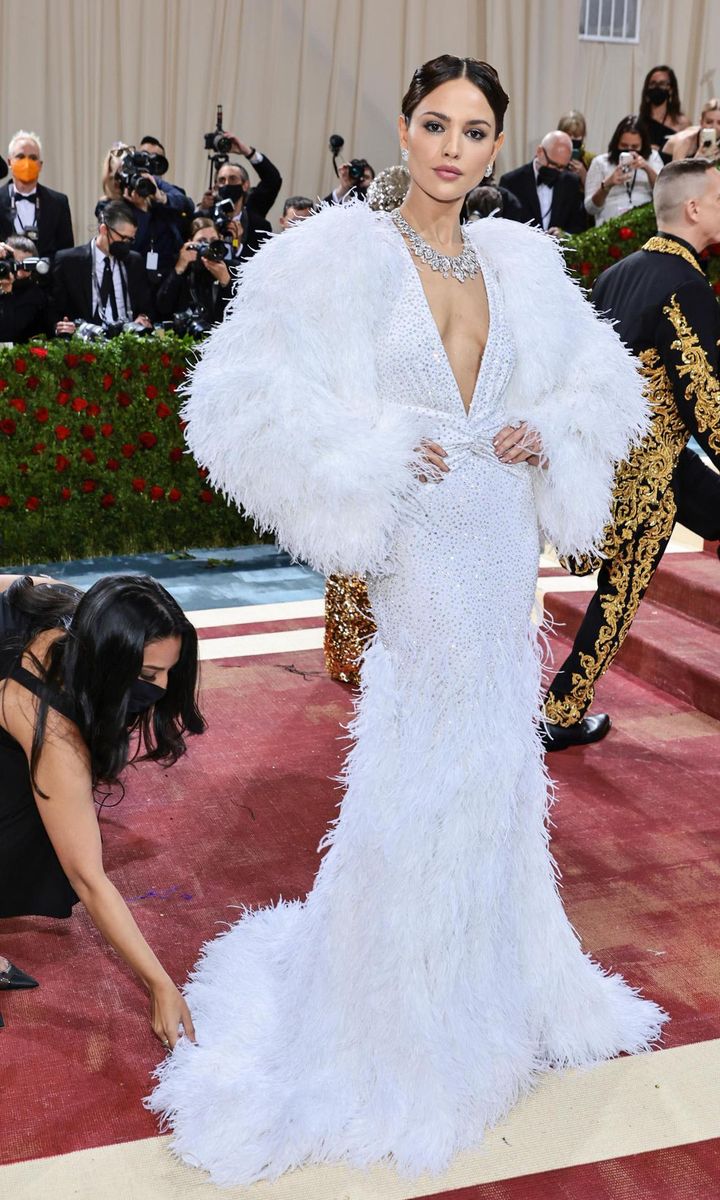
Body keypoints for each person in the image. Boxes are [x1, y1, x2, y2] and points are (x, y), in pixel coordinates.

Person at [148, 55, 665, 1185]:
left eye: (476, 131)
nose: (452, 147)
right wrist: (370, 454)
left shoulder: (523, 264)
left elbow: (606, 389)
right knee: (415, 764)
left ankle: (489, 978)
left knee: (493, 764)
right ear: (405, 127)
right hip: (420, 543)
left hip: (499, 540)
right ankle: (394, 1016)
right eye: (435, 123)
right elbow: (237, 401)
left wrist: (546, 425)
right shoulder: (340, 256)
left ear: (496, 150)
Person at [543, 158, 720, 750]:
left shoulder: (615, 274)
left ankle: (563, 709)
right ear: (694, 208)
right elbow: (709, 409)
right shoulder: (689, 286)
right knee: (617, 598)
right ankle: (562, 710)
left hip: (602, 467)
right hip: (648, 478)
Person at [0, 573, 205, 1045]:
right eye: (149, 676)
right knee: (26, 826)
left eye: (169, 671)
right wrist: (158, 983)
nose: (163, 686)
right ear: (110, 664)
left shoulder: (76, 612)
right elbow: (88, 876)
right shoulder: (50, 728)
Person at [51, 200, 153, 335]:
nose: (126, 244)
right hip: (86, 340)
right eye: (123, 238)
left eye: (130, 240)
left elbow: (147, 306)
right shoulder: (68, 261)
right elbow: (54, 309)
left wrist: (144, 317)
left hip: (128, 339)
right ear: (104, 229)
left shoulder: (134, 261)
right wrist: (61, 326)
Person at [0, 131, 73, 260]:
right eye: (20, 156)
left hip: (45, 278)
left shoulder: (58, 203)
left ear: (40, 165)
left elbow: (66, 254)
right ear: (9, 162)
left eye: (33, 158)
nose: (27, 163)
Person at [499, 130, 588, 235]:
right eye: (553, 164)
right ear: (540, 151)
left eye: (562, 167)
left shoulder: (571, 182)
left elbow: (578, 225)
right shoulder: (511, 182)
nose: (557, 170)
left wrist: (564, 235)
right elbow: (503, 228)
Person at [584, 115, 662, 227]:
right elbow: (590, 208)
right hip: (610, 225)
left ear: (643, 145)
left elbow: (664, 196)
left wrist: (647, 168)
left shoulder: (652, 158)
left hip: (644, 225)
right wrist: (607, 185)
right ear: (616, 143)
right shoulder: (600, 163)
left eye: (635, 146)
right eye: (624, 145)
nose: (630, 150)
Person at [155, 217, 233, 325]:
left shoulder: (232, 268)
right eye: (202, 241)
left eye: (213, 241)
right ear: (190, 242)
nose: (209, 246)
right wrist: (179, 268)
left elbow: (241, 311)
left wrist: (226, 282)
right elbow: (163, 307)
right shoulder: (181, 266)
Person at [0, 235, 49, 342]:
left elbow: (8, 334)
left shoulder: (35, 296)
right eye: (13, 264)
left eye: (26, 266)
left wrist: (7, 291)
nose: (18, 272)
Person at [638, 65, 689, 155]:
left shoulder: (682, 122)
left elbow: (687, 155)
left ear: (670, 89)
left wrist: (661, 150)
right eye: (653, 84)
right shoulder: (639, 122)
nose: (656, 87)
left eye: (662, 84)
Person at [664, 98, 720, 164]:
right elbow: (675, 173)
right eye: (709, 122)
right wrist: (696, 159)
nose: (714, 127)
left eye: (719, 123)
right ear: (701, 122)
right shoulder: (685, 141)